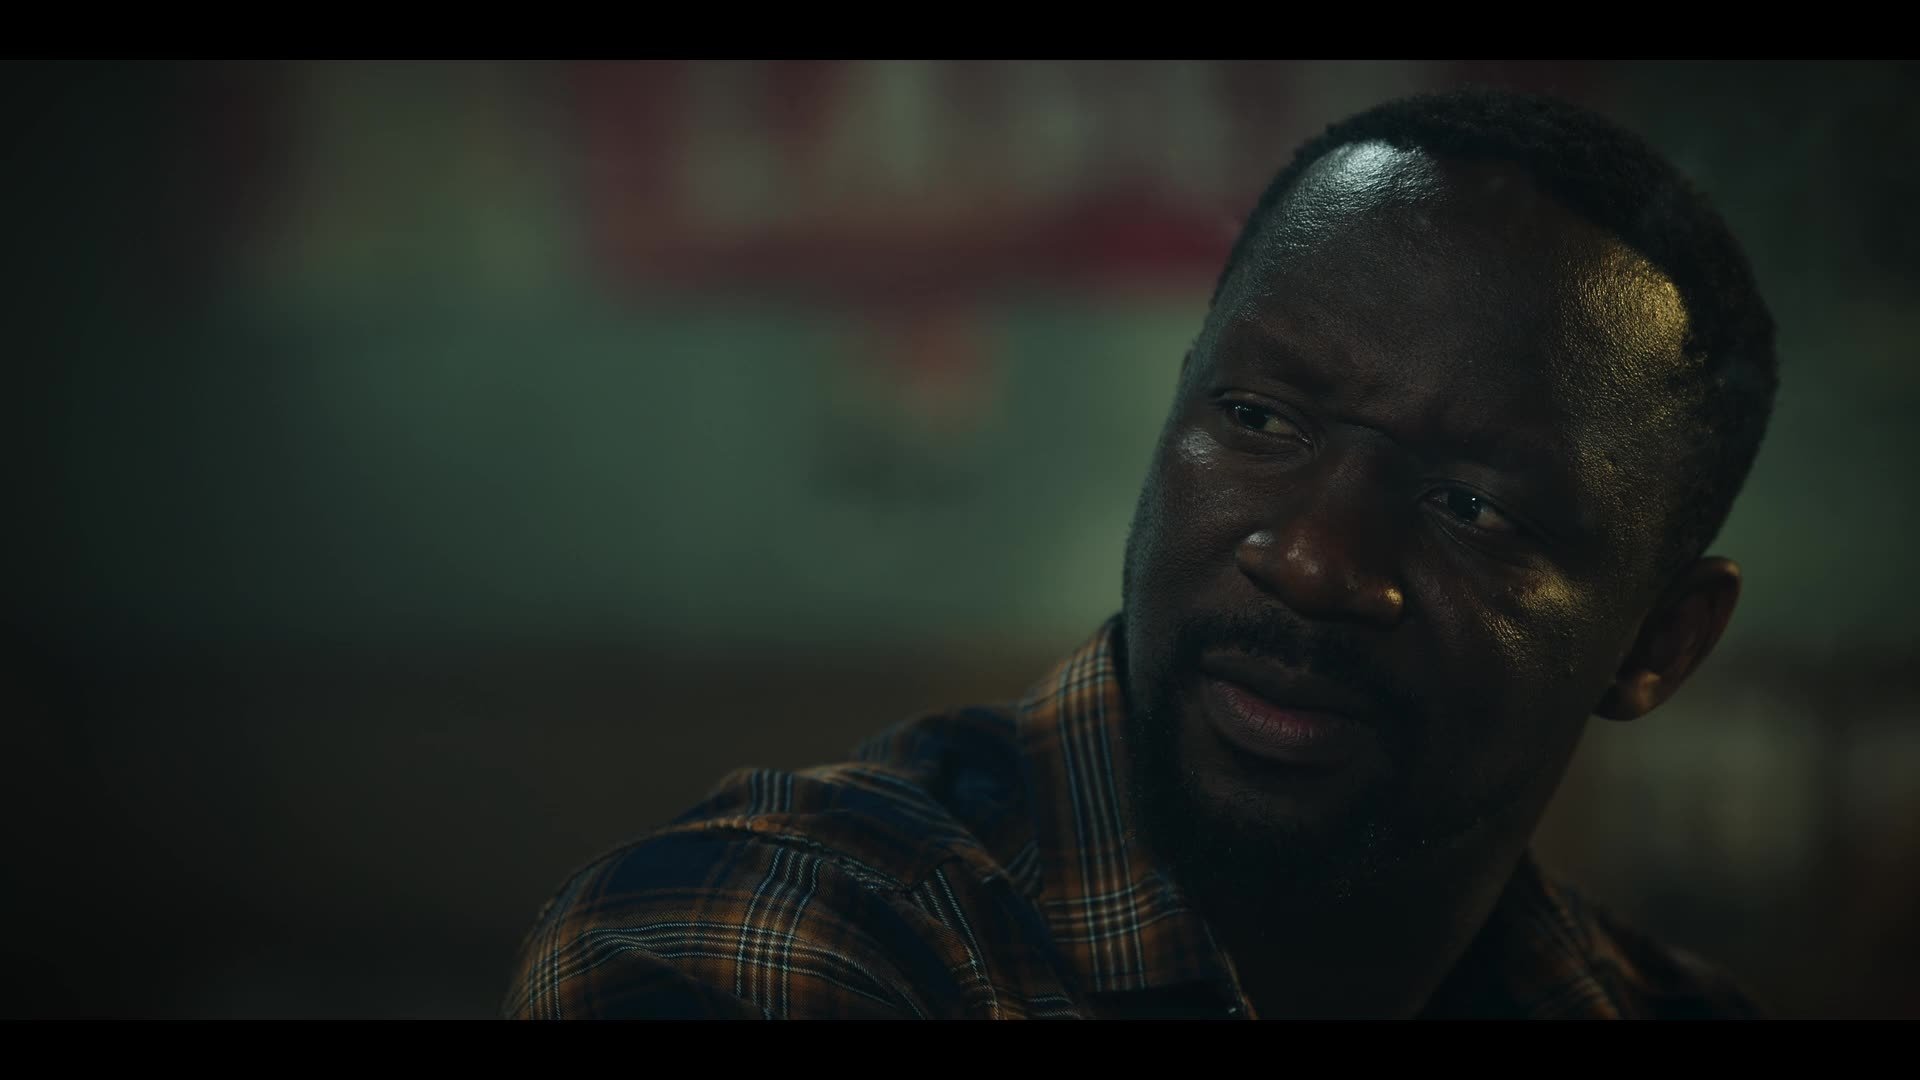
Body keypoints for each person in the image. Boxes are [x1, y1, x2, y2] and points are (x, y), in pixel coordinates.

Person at [503, 87, 1777, 1020]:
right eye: (1260, 420)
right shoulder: (773, 932)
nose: (1312, 560)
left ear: (1660, 644)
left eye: (1471, 506)